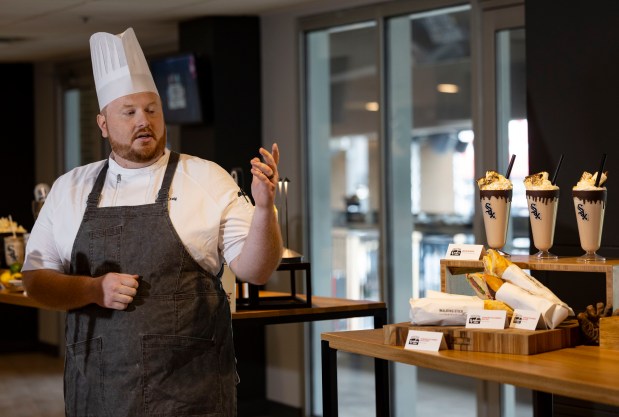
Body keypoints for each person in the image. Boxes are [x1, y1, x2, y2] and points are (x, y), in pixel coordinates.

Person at [22, 27, 283, 417]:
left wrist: (265, 209)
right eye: (128, 112)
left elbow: (257, 270)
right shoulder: (70, 189)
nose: (143, 121)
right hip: (99, 394)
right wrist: (94, 290)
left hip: (192, 395)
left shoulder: (206, 178)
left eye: (151, 109)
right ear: (104, 124)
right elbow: (35, 281)